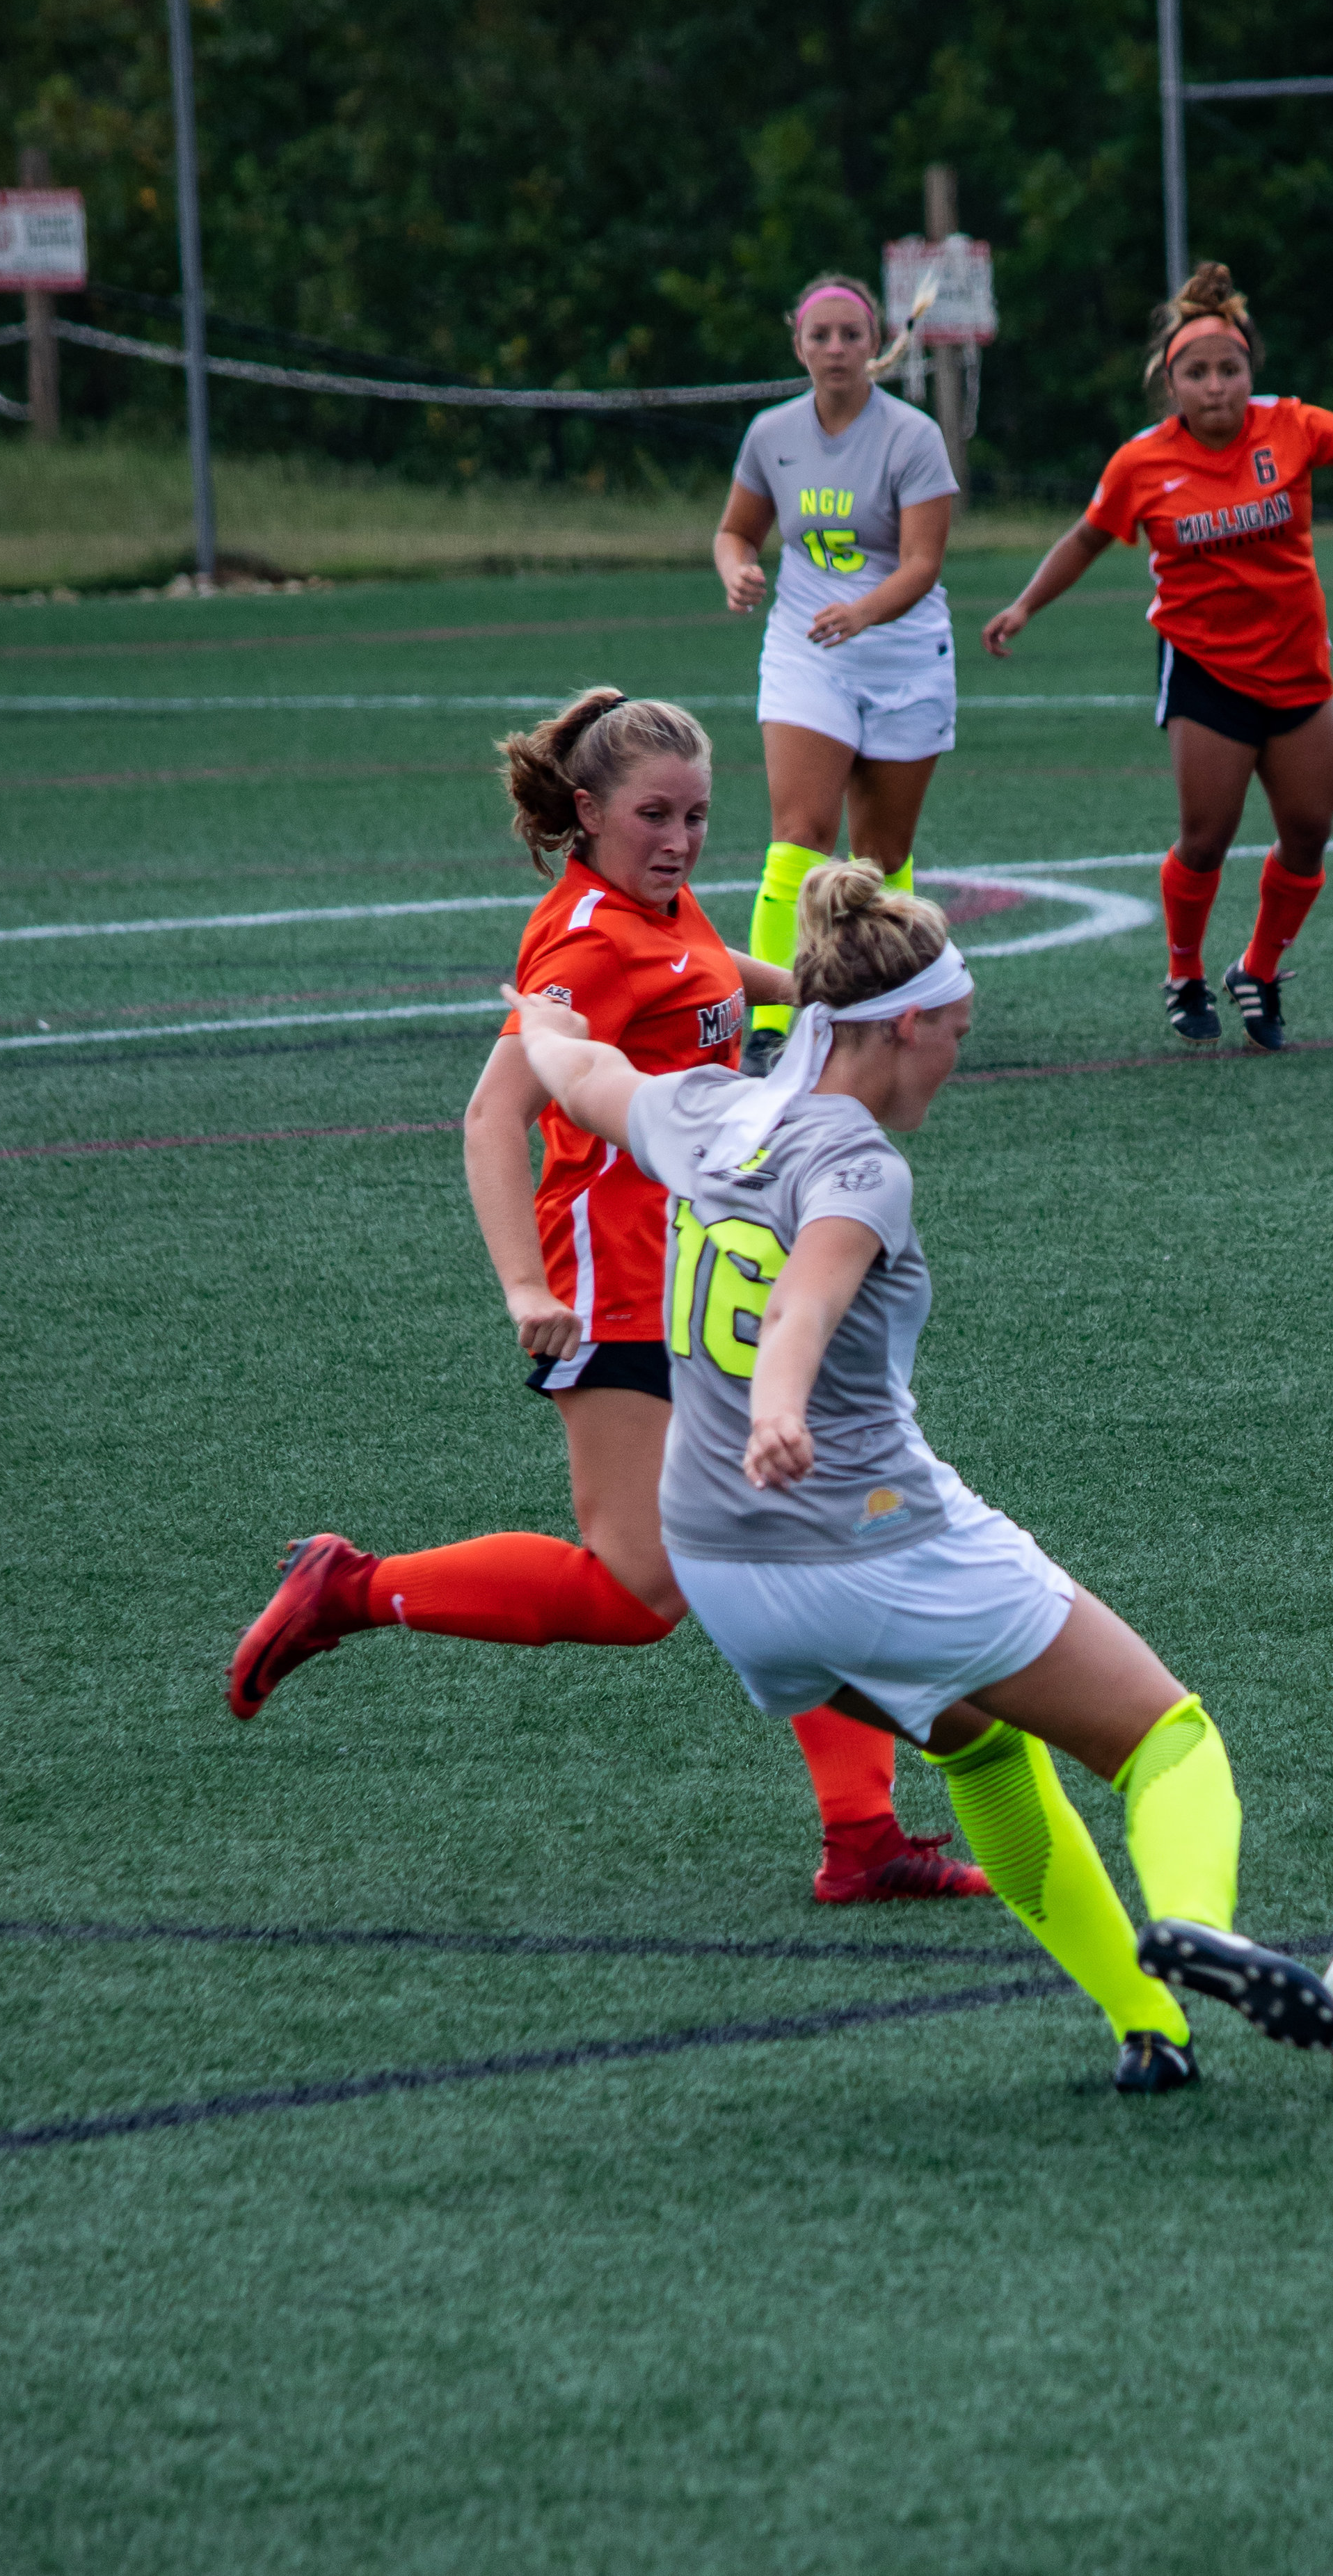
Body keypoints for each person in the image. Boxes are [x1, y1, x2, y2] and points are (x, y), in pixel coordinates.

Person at [501, 859, 1333, 2094]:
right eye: (956, 1032)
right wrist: (780, 1409)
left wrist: (544, 1021)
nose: (959, 1055)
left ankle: (1148, 2027)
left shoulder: (705, 1108)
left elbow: (585, 1076)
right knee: (1169, 1739)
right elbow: (803, 1298)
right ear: (902, 1027)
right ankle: (1203, 1924)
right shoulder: (861, 1170)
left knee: (984, 1753)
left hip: (727, 1573)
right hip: (870, 1549)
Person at [227, 688, 989, 1909]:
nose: (682, 839)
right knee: (637, 1592)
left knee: (802, 1532)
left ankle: (864, 1840)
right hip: (619, 1292)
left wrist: (852, 1001)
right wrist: (525, 1286)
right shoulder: (581, 939)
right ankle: (352, 1589)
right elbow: (493, 1115)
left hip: (695, 1270)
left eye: (696, 813)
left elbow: (725, 977)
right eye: (654, 815)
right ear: (586, 814)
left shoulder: (659, 907)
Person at [982, 261, 1333, 1053]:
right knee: (1206, 837)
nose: (1215, 387)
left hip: (1297, 664)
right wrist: (1026, 604)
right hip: (1203, 666)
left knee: (1308, 832)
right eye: (1196, 373)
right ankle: (1183, 971)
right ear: (1170, 385)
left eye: (1228, 370)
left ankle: (1260, 969)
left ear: (1249, 372)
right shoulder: (1142, 462)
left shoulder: (1292, 426)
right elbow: (1086, 537)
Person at [715, 271, 959, 1075]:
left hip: (901, 658)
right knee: (799, 837)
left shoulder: (911, 436)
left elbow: (922, 563)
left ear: (873, 345)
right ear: (798, 344)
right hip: (804, 652)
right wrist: (737, 569)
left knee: (881, 856)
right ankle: (777, 1016)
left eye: (850, 335)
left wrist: (864, 612)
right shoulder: (772, 433)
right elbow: (736, 533)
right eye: (819, 336)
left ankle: (894, 997)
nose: (835, 349)